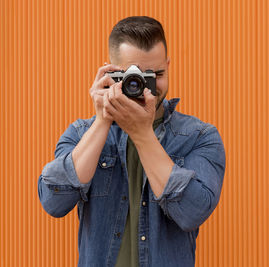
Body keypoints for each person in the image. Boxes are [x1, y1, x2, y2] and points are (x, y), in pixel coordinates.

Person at [37, 16, 226, 267]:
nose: (145, 88)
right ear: (110, 73)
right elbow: (53, 201)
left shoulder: (200, 137)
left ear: (168, 65)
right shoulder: (81, 133)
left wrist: (142, 134)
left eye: (156, 74)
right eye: (133, 78)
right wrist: (103, 119)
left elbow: (193, 212)